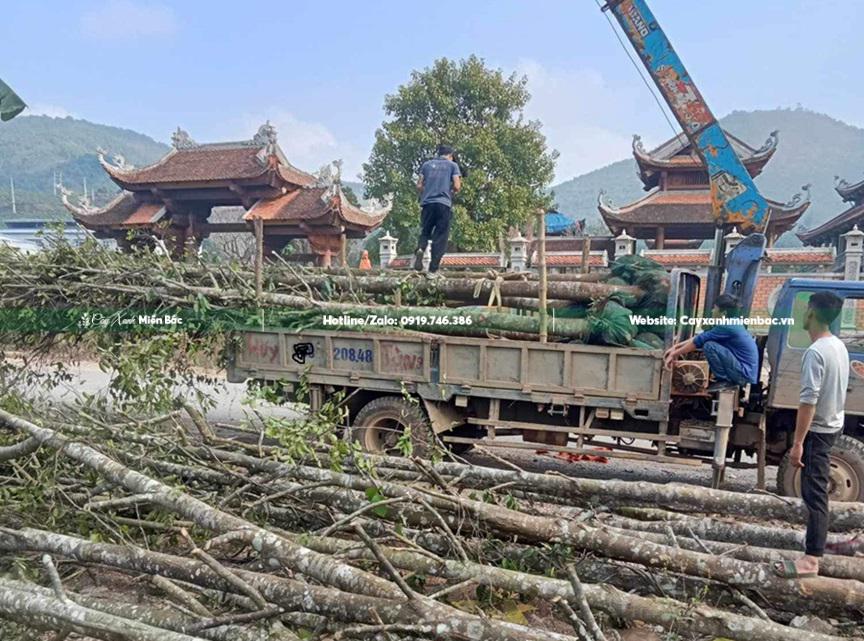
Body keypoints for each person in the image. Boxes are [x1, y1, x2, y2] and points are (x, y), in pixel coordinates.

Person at [773, 291, 848, 579]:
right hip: (832, 425)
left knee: (815, 495)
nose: (802, 314)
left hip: (817, 431)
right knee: (815, 493)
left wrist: (798, 443)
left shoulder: (815, 352)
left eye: (805, 309)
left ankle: (811, 559)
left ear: (812, 314)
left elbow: (808, 401)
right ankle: (818, 544)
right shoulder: (837, 346)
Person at [663, 293, 760, 390]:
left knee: (709, 346)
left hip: (743, 373)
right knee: (708, 342)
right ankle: (724, 380)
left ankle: (724, 381)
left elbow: (697, 342)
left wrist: (673, 354)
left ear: (724, 313)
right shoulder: (732, 322)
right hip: (744, 371)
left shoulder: (727, 327)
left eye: (715, 308)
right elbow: (701, 336)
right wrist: (675, 347)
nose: (712, 311)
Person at [414, 145, 462, 273]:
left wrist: (428, 190)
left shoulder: (426, 165)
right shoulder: (452, 166)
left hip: (427, 204)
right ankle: (433, 269)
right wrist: (450, 192)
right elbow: (457, 186)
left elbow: (419, 185)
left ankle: (421, 248)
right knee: (440, 237)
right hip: (443, 204)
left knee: (425, 231)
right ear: (450, 155)